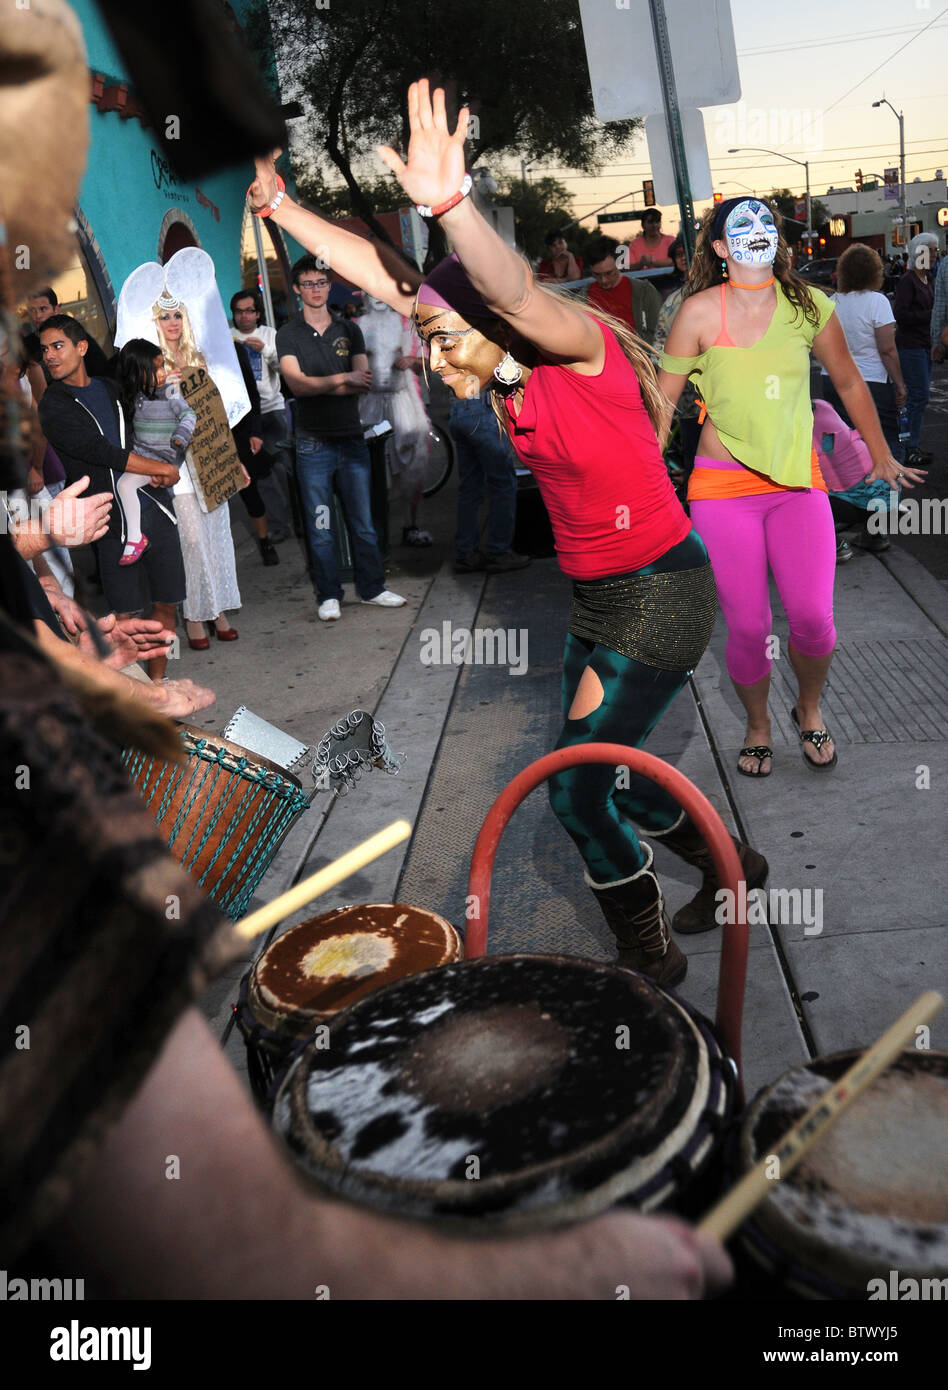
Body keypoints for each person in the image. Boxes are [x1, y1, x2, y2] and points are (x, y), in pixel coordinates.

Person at [250, 83, 769, 969]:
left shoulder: (573, 349)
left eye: (447, 339)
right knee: (619, 780)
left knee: (575, 793)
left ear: (497, 326)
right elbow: (394, 281)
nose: (431, 353)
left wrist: (450, 206)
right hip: (601, 601)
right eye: (427, 339)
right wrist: (283, 205)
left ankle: (649, 958)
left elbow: (508, 289)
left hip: (662, 594)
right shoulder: (500, 371)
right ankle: (738, 871)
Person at [658, 197, 926, 780]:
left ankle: (809, 706)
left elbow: (851, 380)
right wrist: (644, 486)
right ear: (723, 250)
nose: (759, 233)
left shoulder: (809, 304)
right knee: (750, 627)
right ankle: (758, 726)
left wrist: (881, 454)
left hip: (797, 485)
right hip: (722, 490)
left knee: (812, 618)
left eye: (767, 226)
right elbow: (662, 405)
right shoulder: (698, 312)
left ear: (778, 242)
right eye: (742, 228)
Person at [37, 314, 185, 681]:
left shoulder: (109, 388)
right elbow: (99, 450)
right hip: (108, 521)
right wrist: (156, 466)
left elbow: (149, 416)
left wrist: (165, 459)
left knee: (167, 605)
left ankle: (158, 685)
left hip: (154, 508)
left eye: (58, 346)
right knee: (125, 620)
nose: (50, 356)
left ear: (81, 347)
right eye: (44, 350)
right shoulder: (53, 405)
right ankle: (135, 703)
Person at [276, 254, 405, 622]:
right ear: (298, 289)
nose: (316, 289)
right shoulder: (288, 334)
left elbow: (362, 382)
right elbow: (297, 386)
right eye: (308, 284)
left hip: (351, 440)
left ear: (329, 286)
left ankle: (372, 589)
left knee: (362, 523)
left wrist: (333, 384)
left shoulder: (350, 330)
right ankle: (328, 594)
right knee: (320, 526)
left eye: (321, 283)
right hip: (312, 443)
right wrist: (339, 380)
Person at [151, 293, 242, 649]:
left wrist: (234, 460)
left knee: (217, 536)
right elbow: (141, 414)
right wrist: (158, 384)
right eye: (163, 317)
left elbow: (216, 416)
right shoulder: (151, 365)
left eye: (176, 315)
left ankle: (218, 611)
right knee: (190, 540)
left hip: (209, 457)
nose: (172, 322)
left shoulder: (199, 357)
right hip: (176, 464)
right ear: (154, 323)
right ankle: (193, 615)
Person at [818, 243, 907, 554]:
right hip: (871, 384)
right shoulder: (878, 302)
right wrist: (899, 383)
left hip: (834, 382)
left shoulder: (831, 303)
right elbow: (887, 349)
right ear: (875, 272)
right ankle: (875, 529)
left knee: (840, 451)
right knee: (879, 450)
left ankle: (840, 517)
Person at [358, 294, 433, 546]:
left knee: (412, 466)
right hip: (370, 405)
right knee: (375, 468)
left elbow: (429, 361)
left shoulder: (407, 324)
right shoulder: (358, 325)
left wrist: (411, 360)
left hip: (403, 402)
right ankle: (376, 533)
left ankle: (410, 525)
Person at [115, 338, 197, 566]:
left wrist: (180, 437)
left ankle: (136, 539)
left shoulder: (169, 391)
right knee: (124, 485)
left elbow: (189, 415)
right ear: (136, 372)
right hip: (144, 457)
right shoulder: (132, 396)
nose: (161, 373)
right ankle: (134, 538)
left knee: (126, 486)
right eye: (154, 369)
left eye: (162, 366)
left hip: (164, 458)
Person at [230, 287, 296, 542]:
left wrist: (266, 351)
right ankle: (279, 525)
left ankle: (302, 518)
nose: (244, 317)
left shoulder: (270, 334)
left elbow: (286, 369)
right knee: (263, 475)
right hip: (246, 418)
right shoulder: (229, 338)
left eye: (249, 311)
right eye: (239, 312)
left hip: (273, 410)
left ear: (258, 314)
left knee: (286, 468)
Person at [450, 391, 532, 572]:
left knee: (470, 488)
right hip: (483, 410)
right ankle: (498, 551)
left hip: (459, 409)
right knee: (504, 484)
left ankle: (466, 553)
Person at [894, 232, 937, 468]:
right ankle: (907, 446)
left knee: (919, 398)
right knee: (917, 397)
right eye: (930, 250)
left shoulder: (926, 279)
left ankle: (911, 445)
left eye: (935, 251)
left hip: (922, 345)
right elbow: (900, 314)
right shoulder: (908, 281)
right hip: (910, 347)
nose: (934, 256)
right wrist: (929, 316)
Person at [586, 236, 662, 345]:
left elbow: (658, 334)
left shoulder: (643, 292)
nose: (603, 280)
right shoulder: (585, 295)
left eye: (609, 273)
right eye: (597, 275)